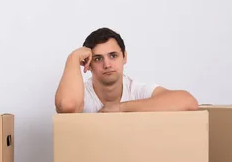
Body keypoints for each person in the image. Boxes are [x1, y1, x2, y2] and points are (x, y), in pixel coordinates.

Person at [55, 27, 198, 113]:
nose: (107, 64)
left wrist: (120, 108)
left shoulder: (136, 90)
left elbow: (188, 102)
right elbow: (68, 106)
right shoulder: (83, 94)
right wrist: (73, 58)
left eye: (113, 56)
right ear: (88, 64)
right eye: (98, 59)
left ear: (124, 57)